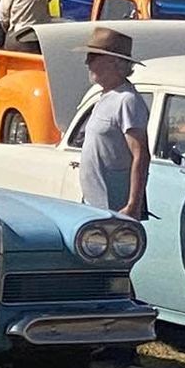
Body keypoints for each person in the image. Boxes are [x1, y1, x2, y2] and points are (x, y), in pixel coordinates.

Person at [77, 26, 150, 222]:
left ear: (113, 62)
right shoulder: (104, 97)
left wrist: (133, 204)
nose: (87, 63)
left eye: (93, 57)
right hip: (95, 204)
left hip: (116, 206)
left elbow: (140, 154)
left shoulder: (127, 100)